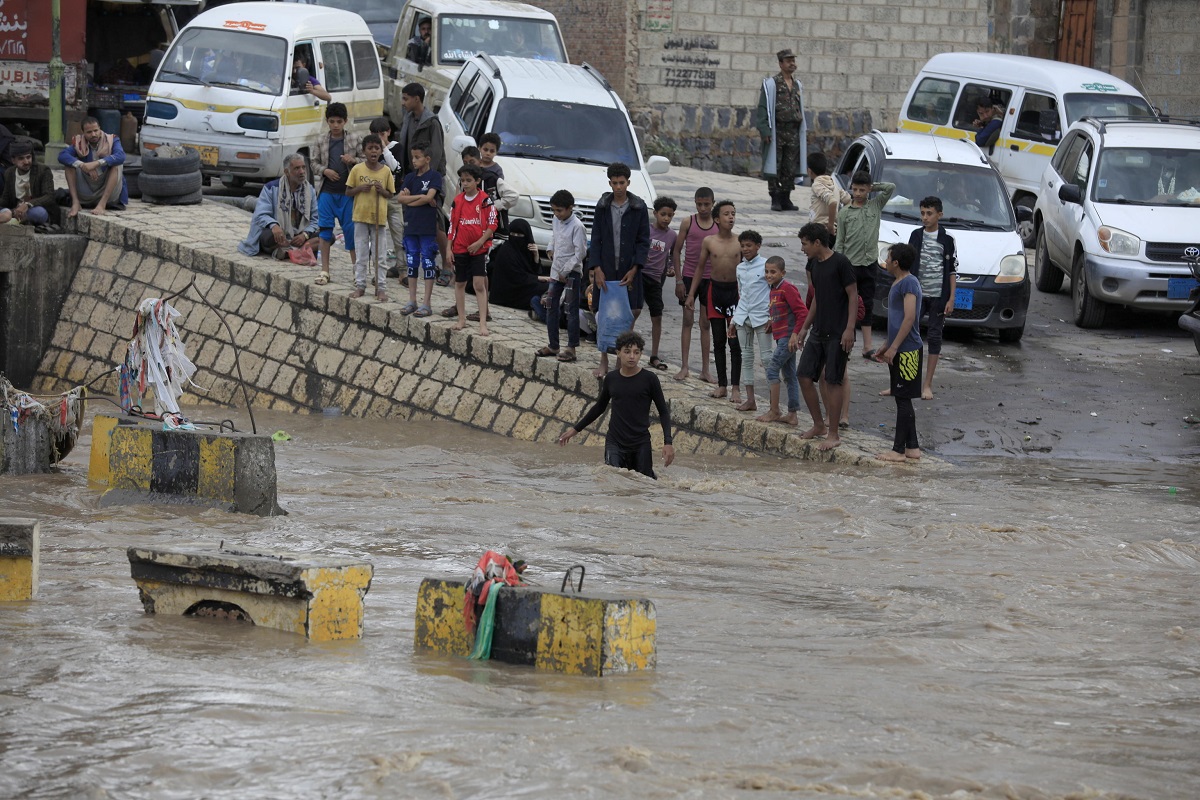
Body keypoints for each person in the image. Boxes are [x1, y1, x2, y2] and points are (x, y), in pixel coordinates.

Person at [557, 331, 674, 479]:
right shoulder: (612, 379)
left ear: (640, 354)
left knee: (645, 484)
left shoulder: (650, 379)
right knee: (613, 479)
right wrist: (575, 430)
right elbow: (599, 407)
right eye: (627, 352)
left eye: (636, 352)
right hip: (615, 442)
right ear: (618, 353)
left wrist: (668, 442)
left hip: (640, 443)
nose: (632, 356)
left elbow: (663, 412)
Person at [796, 222, 858, 451]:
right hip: (818, 331)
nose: (803, 249)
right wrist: (804, 328)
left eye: (805, 244)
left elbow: (853, 296)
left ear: (817, 242)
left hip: (838, 333)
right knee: (803, 375)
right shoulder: (814, 264)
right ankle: (818, 425)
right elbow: (817, 300)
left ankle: (834, 433)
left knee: (833, 381)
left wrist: (850, 329)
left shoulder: (841, 263)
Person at [589, 162, 650, 378]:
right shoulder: (603, 206)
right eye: (614, 183)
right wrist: (596, 267)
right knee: (603, 314)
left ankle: (619, 361)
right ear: (609, 183)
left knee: (627, 314)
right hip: (606, 267)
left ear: (628, 182)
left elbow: (644, 241)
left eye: (621, 183)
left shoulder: (638, 207)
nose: (618, 187)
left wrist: (635, 268)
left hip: (628, 270)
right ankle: (603, 360)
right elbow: (595, 238)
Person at [686, 200, 742, 401]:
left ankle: (735, 387)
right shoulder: (709, 241)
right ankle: (722, 385)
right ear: (717, 218)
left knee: (734, 343)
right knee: (718, 341)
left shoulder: (740, 241)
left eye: (733, 213)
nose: (731, 217)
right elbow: (700, 268)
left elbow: (747, 270)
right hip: (715, 292)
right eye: (727, 214)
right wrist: (692, 293)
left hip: (734, 294)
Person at [836, 170, 894, 359]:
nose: (858, 193)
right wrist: (838, 265)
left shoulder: (875, 206)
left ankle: (867, 346)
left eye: (862, 189)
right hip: (850, 264)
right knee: (847, 304)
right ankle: (846, 342)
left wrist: (872, 185)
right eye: (855, 189)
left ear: (868, 190)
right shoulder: (844, 213)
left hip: (869, 263)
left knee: (867, 304)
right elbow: (840, 242)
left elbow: (890, 188)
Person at [874, 243, 923, 462]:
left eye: (888, 257)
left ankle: (898, 451)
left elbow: (909, 318)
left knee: (903, 400)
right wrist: (887, 345)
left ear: (896, 263)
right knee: (901, 398)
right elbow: (896, 322)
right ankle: (912, 447)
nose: (885, 260)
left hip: (908, 351)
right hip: (897, 349)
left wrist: (894, 348)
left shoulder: (910, 283)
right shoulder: (898, 282)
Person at [396, 83, 449, 284]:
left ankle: (447, 266)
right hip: (412, 178)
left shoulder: (431, 123)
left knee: (435, 223)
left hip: (431, 179)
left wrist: (428, 182)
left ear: (417, 99)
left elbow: (434, 155)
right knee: (412, 222)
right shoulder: (409, 118)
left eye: (406, 98)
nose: (403, 102)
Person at [906, 196, 957, 401]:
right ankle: (908, 380)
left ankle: (927, 384)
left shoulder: (947, 239)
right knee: (910, 335)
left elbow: (952, 270)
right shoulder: (915, 236)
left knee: (934, 337)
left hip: (938, 296)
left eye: (929, 213)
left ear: (939, 215)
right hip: (916, 295)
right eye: (922, 213)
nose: (925, 217)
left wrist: (951, 298)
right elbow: (907, 267)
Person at [670, 187, 717, 383]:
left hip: (710, 279)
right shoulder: (688, 222)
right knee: (687, 320)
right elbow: (676, 251)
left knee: (705, 324)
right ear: (695, 203)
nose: (703, 208)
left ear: (713, 204)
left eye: (707, 204)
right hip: (689, 277)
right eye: (699, 204)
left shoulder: (718, 224)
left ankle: (706, 370)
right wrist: (679, 279)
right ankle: (685, 366)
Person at [312, 102, 361, 286]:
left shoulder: (355, 139)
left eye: (339, 121)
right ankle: (324, 270)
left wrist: (352, 160)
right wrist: (325, 171)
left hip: (348, 193)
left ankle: (358, 272)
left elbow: (365, 161)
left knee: (351, 231)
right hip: (327, 192)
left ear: (345, 121)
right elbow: (314, 163)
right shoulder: (321, 140)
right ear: (327, 122)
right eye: (332, 121)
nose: (335, 125)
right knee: (325, 231)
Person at [755, 256, 807, 425]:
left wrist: (795, 334)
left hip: (787, 338)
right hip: (781, 337)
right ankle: (792, 414)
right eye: (766, 271)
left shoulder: (787, 288)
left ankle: (774, 410)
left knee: (771, 370)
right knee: (790, 375)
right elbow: (782, 311)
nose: (769, 275)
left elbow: (802, 313)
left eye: (773, 272)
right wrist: (772, 321)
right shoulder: (774, 289)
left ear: (782, 273)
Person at [537, 189, 587, 363]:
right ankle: (553, 344)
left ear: (570, 208)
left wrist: (566, 270)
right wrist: (550, 248)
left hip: (571, 271)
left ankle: (571, 347)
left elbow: (580, 253)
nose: (556, 214)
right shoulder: (556, 220)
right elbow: (554, 236)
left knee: (570, 310)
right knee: (551, 305)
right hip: (556, 270)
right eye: (554, 210)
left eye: (560, 210)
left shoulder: (577, 226)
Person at [237, 153, 318, 258]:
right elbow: (261, 214)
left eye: (303, 167)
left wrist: (304, 235)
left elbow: (315, 219)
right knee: (268, 236)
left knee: (328, 236)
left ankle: (291, 251)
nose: (302, 172)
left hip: (300, 236)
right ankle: (299, 250)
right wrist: (274, 225)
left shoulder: (309, 190)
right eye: (297, 168)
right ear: (287, 172)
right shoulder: (271, 188)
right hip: (280, 236)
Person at [755, 48, 806, 212]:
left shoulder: (797, 85)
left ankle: (786, 198)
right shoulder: (771, 84)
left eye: (793, 60)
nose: (792, 63)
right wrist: (765, 130)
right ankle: (775, 198)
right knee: (774, 165)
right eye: (788, 60)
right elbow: (763, 107)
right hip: (777, 130)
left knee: (789, 166)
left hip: (793, 131)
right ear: (781, 63)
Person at [449, 164, 497, 336]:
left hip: (479, 248)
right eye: (462, 180)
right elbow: (452, 226)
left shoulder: (485, 200)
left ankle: (483, 323)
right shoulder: (458, 200)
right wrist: (449, 248)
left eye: (469, 180)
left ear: (477, 181)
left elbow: (493, 223)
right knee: (460, 282)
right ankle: (461, 319)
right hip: (460, 247)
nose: (465, 184)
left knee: (478, 284)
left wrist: (480, 242)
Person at [345, 133, 395, 301]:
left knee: (380, 255)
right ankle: (360, 285)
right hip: (360, 216)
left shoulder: (386, 171)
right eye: (370, 148)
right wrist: (360, 188)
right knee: (361, 253)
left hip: (378, 219)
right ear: (364, 151)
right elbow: (348, 191)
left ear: (381, 151)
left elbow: (390, 194)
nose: (373, 151)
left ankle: (381, 287)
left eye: (376, 148)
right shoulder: (357, 169)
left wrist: (382, 191)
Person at [396, 144, 441, 317]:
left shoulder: (434, 177)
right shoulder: (409, 177)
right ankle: (412, 300)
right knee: (412, 261)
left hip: (427, 227)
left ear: (427, 159)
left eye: (417, 157)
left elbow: (430, 197)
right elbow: (400, 198)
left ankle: (426, 303)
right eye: (413, 157)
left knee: (428, 261)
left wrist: (410, 200)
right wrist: (419, 198)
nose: (414, 161)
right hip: (411, 226)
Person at [729, 229, 770, 411]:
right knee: (746, 357)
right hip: (743, 317)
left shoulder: (765, 265)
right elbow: (742, 294)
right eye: (743, 246)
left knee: (768, 358)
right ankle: (750, 399)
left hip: (763, 317)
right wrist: (734, 320)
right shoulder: (740, 267)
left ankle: (773, 403)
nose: (745, 249)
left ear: (758, 246)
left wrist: (772, 316)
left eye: (749, 245)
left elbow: (773, 292)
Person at [58, 116, 128, 218]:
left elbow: (121, 156)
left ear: (100, 128)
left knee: (117, 164)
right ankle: (76, 203)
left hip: (108, 191)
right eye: (89, 132)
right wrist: (82, 165)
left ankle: (102, 204)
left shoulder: (112, 140)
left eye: (96, 130)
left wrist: (97, 163)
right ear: (83, 132)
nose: (93, 134)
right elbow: (62, 156)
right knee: (69, 165)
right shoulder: (79, 142)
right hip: (87, 190)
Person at [641, 196, 677, 371]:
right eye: (663, 214)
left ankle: (654, 355)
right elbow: (637, 247)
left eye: (670, 215)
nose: (666, 218)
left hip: (655, 280)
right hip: (640, 275)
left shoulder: (672, 235)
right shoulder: (646, 230)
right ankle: (625, 348)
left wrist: (671, 268)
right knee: (633, 311)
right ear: (655, 213)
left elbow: (673, 255)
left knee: (657, 316)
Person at [369, 117, 406, 269]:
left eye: (382, 134)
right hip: (378, 197)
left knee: (398, 234)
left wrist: (384, 148)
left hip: (394, 196)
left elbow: (396, 168)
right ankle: (380, 270)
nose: (379, 138)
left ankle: (402, 268)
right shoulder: (372, 150)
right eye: (375, 135)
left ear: (388, 133)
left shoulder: (397, 148)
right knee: (379, 236)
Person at [485, 218, 541, 311]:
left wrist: (536, 256)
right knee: (544, 289)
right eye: (513, 234)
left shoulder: (527, 249)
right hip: (508, 293)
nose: (515, 237)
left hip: (524, 285)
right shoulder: (505, 251)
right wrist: (538, 278)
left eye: (519, 235)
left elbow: (535, 271)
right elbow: (515, 276)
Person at [0, 142, 60, 228]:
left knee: (39, 213)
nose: (26, 162)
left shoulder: (43, 170)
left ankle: (12, 220)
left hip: (35, 209)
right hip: (14, 210)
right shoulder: (9, 173)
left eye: (28, 157)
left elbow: (49, 196)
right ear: (13, 160)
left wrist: (28, 204)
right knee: (6, 212)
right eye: (21, 158)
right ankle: (11, 218)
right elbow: (5, 199)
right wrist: (14, 210)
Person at [807, 151, 850, 239]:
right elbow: (848, 200)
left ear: (809, 171)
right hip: (834, 231)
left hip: (819, 230)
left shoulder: (817, 185)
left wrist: (830, 225)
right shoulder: (832, 182)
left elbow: (832, 202)